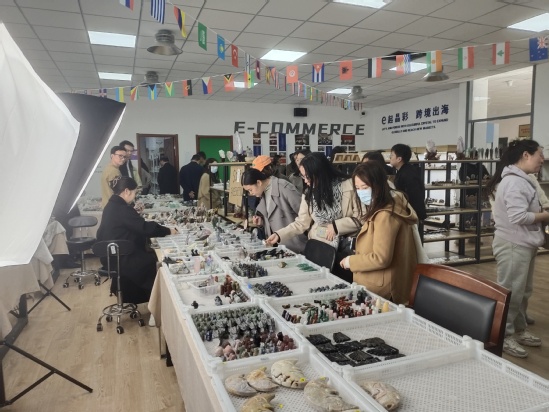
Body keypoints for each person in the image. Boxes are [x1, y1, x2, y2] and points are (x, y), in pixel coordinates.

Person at [485, 139, 549, 358]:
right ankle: (503, 336)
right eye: (540, 154)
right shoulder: (514, 182)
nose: (542, 159)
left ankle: (519, 330)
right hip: (513, 244)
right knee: (510, 293)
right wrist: (545, 215)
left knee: (523, 292)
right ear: (526, 155)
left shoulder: (524, 180)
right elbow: (518, 216)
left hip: (524, 243)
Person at [339, 162, 418, 304]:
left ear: (378, 186)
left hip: (382, 289)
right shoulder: (389, 205)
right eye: (357, 188)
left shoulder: (385, 215)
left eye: (365, 187)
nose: (361, 192)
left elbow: (381, 258)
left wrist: (351, 261)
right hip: (382, 281)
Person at [97, 176, 177, 304]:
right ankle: (155, 304)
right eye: (135, 192)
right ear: (127, 191)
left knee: (150, 255)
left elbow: (126, 223)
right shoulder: (122, 209)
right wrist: (167, 230)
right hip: (122, 257)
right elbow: (144, 227)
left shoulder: (111, 205)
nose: (135, 196)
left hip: (112, 255)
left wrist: (133, 213)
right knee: (154, 261)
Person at [265, 152, 361, 257]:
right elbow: (301, 223)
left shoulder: (349, 186)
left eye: (308, 177)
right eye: (303, 176)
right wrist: (278, 235)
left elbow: (362, 218)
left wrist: (336, 226)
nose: (306, 181)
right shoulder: (309, 193)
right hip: (320, 247)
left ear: (320, 173)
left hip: (346, 248)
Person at [242, 168, 307, 254]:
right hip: (279, 248)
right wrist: (262, 222)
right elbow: (273, 218)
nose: (251, 193)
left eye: (250, 190)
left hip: (294, 246)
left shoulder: (283, 187)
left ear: (259, 182)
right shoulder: (263, 192)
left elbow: (305, 215)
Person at [389, 144, 427, 221]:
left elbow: (413, 196)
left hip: (411, 214)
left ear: (399, 159)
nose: (390, 157)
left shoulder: (407, 174)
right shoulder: (404, 171)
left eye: (392, 155)